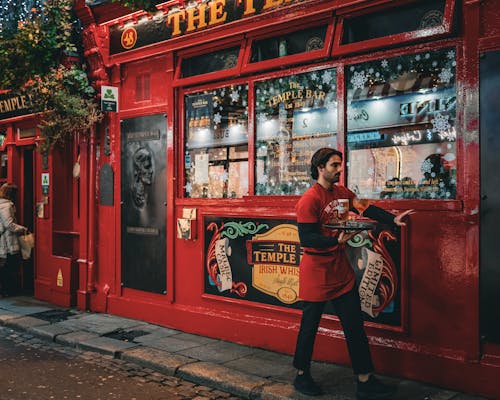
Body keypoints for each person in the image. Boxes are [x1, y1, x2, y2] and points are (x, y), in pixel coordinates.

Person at [293, 148, 413, 399]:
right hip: (316, 270)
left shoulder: (342, 193)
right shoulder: (309, 199)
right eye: (335, 165)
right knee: (309, 326)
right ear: (320, 167)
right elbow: (307, 238)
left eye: (340, 165)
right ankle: (302, 375)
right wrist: (336, 241)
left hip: (340, 269)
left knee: (354, 326)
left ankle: (365, 380)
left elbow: (365, 208)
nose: (339, 169)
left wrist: (392, 220)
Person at [0, 183, 28, 297]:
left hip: (2, 239)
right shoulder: (7, 205)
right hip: (7, 240)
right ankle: (9, 290)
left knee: (5, 265)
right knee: (9, 266)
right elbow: (9, 224)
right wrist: (23, 229)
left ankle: (5, 290)